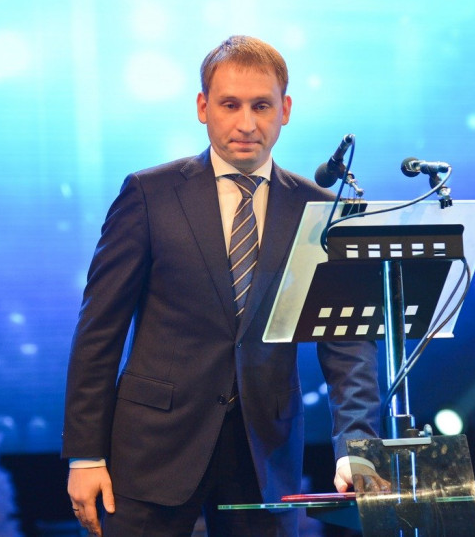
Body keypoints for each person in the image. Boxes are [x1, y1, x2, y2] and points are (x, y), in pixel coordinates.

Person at [62, 35, 381, 536]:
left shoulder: (320, 209)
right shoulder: (149, 194)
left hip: (265, 455)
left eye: (261, 106)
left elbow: (348, 343)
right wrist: (85, 454)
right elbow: (99, 331)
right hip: (150, 450)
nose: (246, 123)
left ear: (285, 110)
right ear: (202, 107)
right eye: (230, 105)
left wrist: (357, 449)